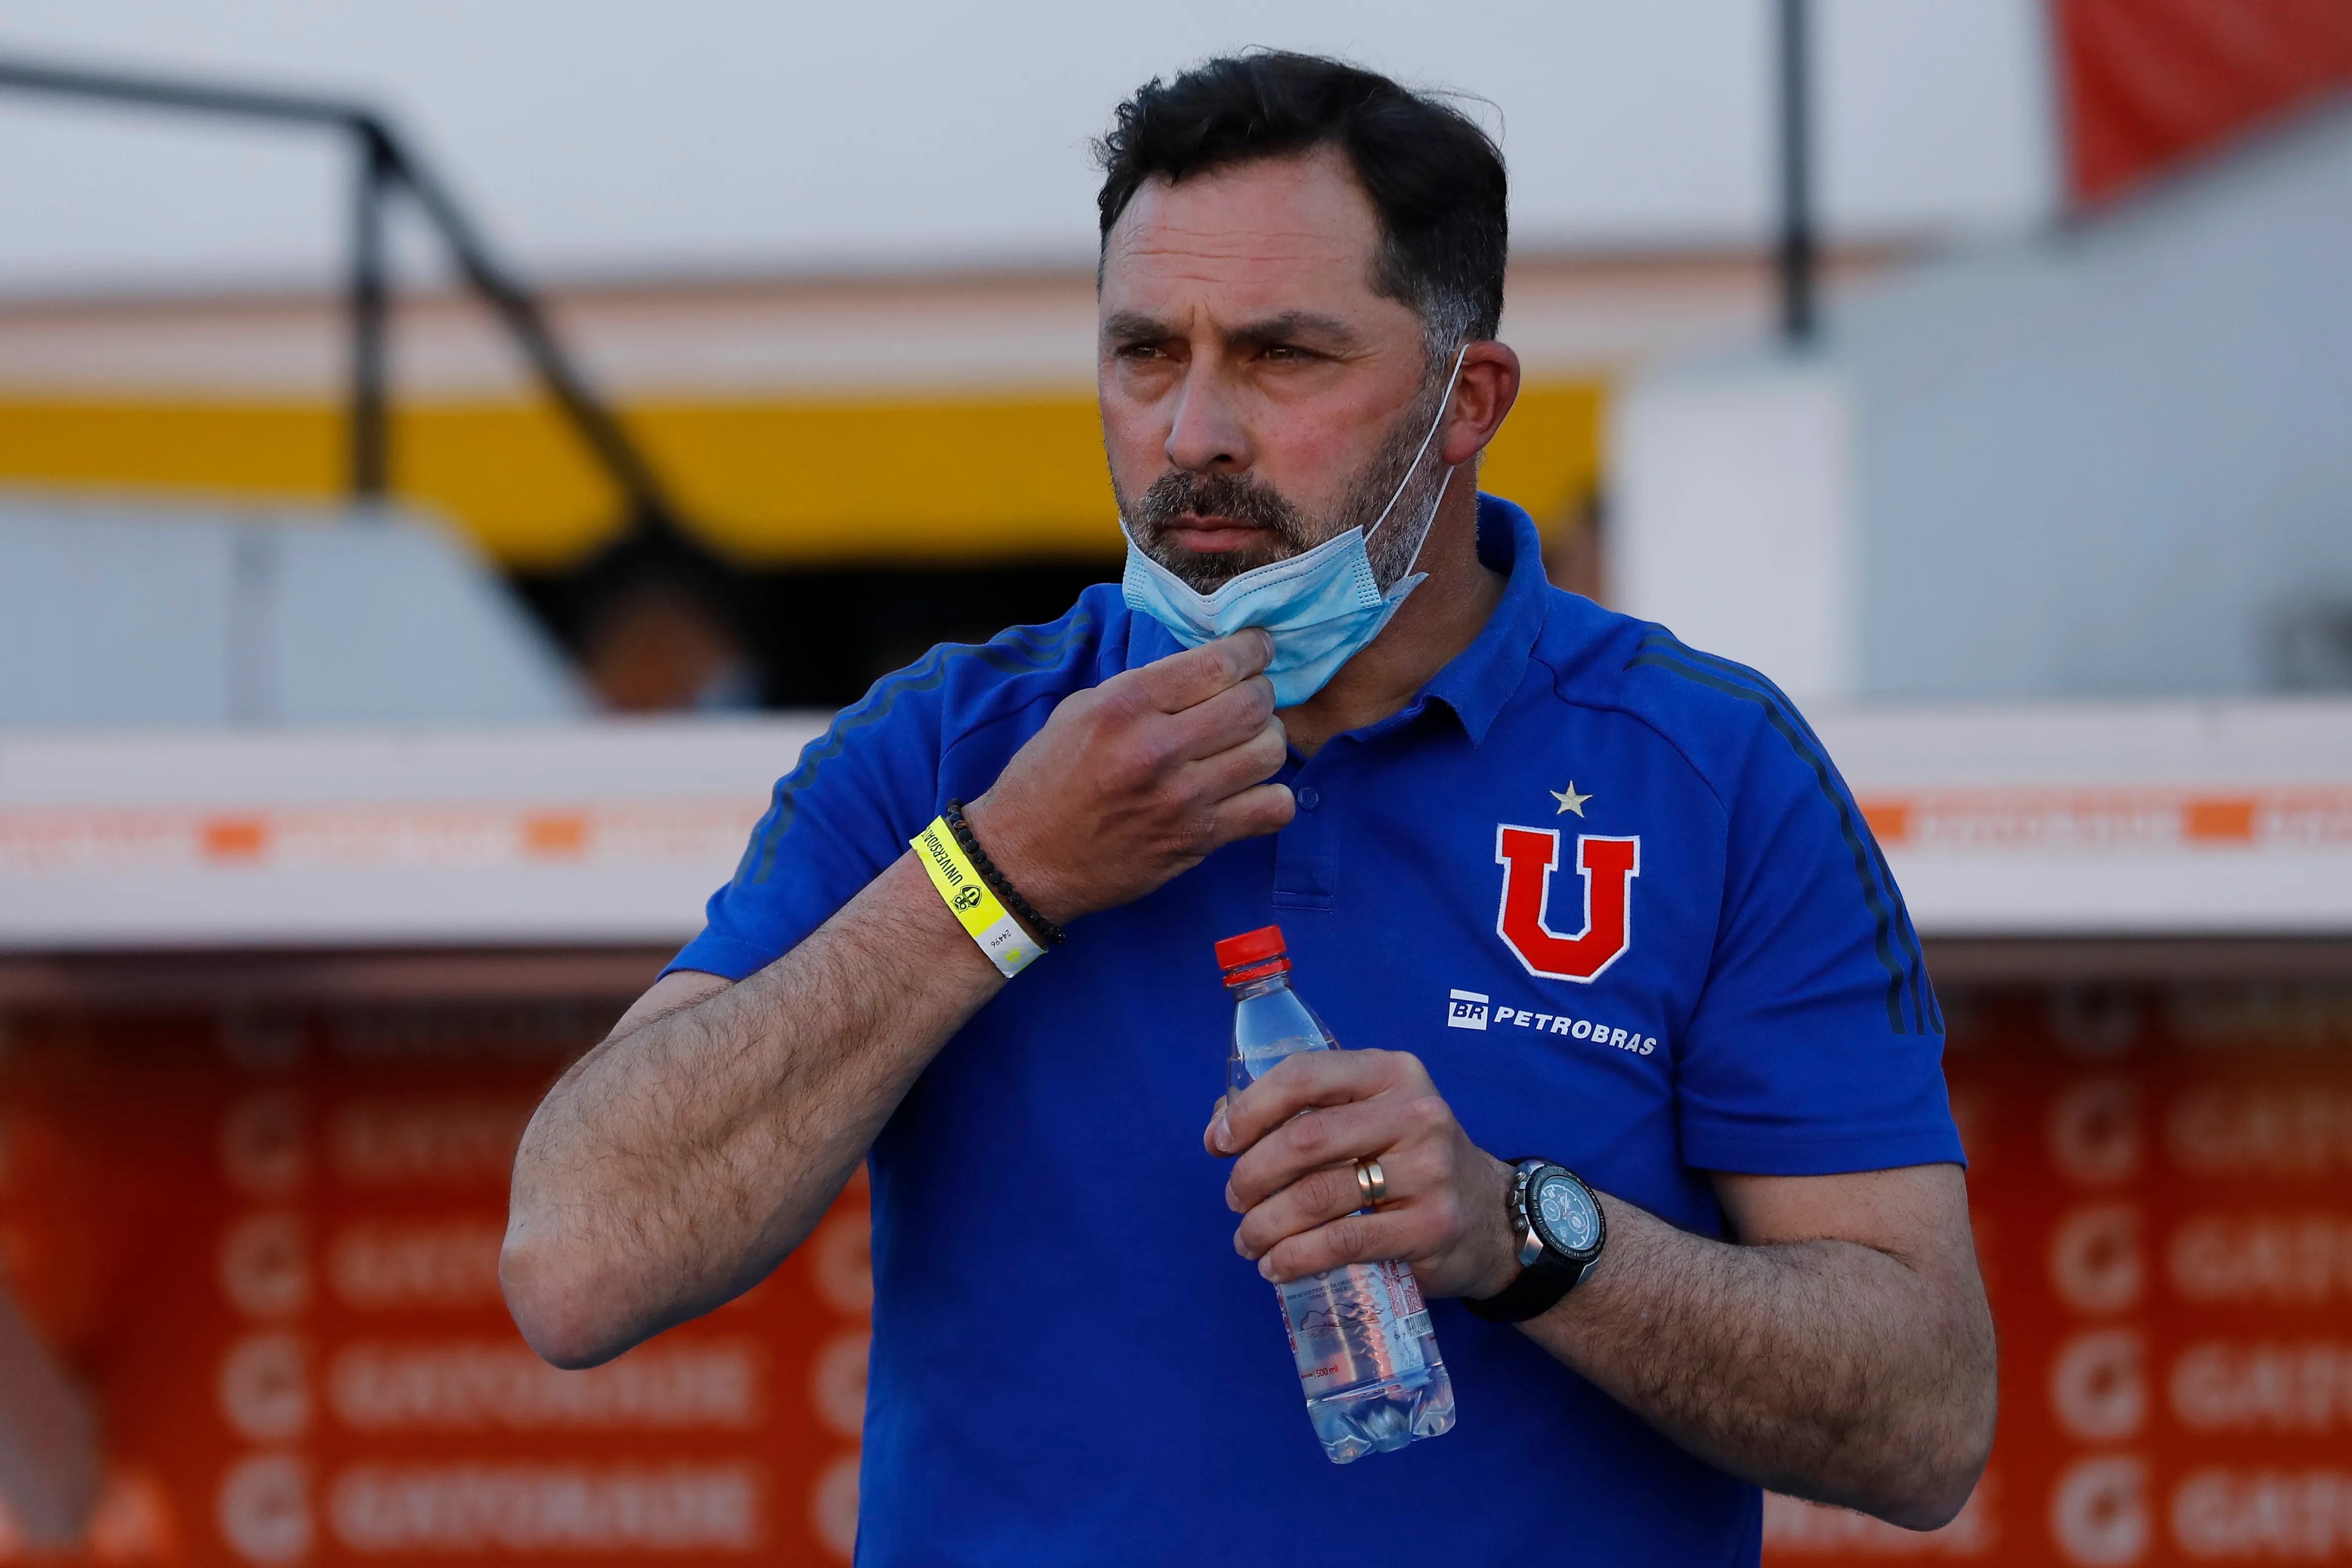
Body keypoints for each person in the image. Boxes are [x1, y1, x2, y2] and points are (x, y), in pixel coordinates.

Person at [501, 50, 1996, 1564]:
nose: (1194, 431)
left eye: (1282, 356)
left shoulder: (1710, 768)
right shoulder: (952, 751)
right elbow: (575, 1264)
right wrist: (1001, 875)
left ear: (1465, 400)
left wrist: (1521, 1231)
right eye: (1146, 353)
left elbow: (1925, 1420)